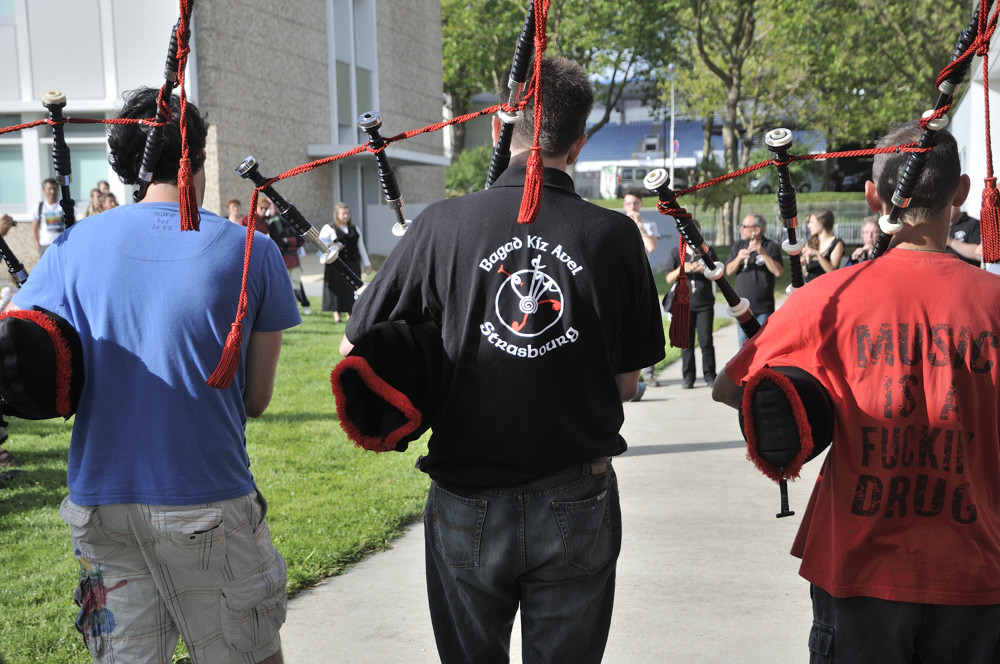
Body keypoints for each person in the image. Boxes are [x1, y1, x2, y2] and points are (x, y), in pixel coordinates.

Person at [338, 56, 664, 663]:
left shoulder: (439, 226)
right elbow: (625, 384)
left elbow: (355, 340)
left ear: (498, 129)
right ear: (580, 144)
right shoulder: (615, 237)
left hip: (467, 499)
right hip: (576, 494)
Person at [10, 86, 298, 663]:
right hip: (208, 495)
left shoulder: (72, 245)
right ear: (198, 153)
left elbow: (28, 349)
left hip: (100, 504)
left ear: (122, 161)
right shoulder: (252, 251)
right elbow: (257, 399)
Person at [712, 121, 1000, 662]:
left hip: (857, 569)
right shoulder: (995, 300)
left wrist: (819, 406)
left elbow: (733, 388)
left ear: (872, 196)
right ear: (961, 193)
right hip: (977, 564)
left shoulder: (826, 298)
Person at [664, 221, 717, 389]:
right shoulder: (676, 252)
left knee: (705, 341)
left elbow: (717, 274)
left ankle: (710, 375)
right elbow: (668, 278)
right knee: (685, 343)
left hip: (704, 303)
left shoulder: (707, 251)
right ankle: (688, 377)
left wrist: (703, 270)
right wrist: (682, 268)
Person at [622, 187, 661, 387]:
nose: (632, 207)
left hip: (643, 278)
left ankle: (648, 374)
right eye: (628, 203)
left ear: (640, 205)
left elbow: (651, 247)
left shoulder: (649, 224)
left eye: (635, 203)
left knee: (645, 321)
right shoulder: (616, 223)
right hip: (622, 279)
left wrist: (639, 226)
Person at [725, 213, 783, 344]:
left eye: (745, 226)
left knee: (763, 345)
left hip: (764, 308)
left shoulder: (771, 246)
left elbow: (778, 272)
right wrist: (739, 258)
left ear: (757, 230)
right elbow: (728, 271)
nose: (741, 229)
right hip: (742, 307)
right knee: (743, 346)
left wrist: (763, 252)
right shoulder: (738, 245)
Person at [319, 202, 371, 323]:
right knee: (337, 289)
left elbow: (361, 246)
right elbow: (320, 243)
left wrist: (366, 263)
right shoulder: (329, 228)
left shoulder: (354, 228)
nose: (346, 216)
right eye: (343, 213)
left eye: (347, 213)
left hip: (353, 263)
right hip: (336, 264)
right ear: (337, 215)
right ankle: (336, 314)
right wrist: (332, 245)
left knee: (352, 289)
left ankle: (351, 312)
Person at [268, 208, 312, 315]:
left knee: (296, 286)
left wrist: (288, 241)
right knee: (283, 287)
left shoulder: (293, 224)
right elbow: (277, 241)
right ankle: (285, 309)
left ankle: (293, 309)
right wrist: (291, 242)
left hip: (294, 259)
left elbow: (301, 241)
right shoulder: (274, 223)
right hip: (282, 260)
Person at [800, 209, 844, 282]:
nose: (808, 226)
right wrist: (801, 264)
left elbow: (832, 271)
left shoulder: (837, 243)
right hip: (809, 286)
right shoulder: (811, 242)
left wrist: (817, 254)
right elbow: (805, 272)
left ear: (822, 223)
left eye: (812, 222)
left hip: (826, 287)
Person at [32, 178, 64, 258]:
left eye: (54, 188)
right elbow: (34, 229)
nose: (52, 192)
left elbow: (73, 223)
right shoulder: (39, 207)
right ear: (44, 190)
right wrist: (38, 246)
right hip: (45, 245)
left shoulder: (64, 205)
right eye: (49, 189)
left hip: (63, 244)